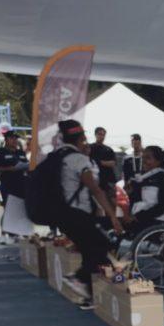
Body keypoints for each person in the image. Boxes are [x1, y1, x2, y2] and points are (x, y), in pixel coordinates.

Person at [52, 120, 123, 301]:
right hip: (78, 214)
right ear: (82, 138)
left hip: (61, 213)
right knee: (103, 244)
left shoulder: (57, 156)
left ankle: (88, 294)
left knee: (89, 251)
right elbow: (95, 190)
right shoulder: (79, 160)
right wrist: (113, 216)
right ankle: (79, 278)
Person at [125, 145, 164, 229]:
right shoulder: (142, 179)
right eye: (143, 158)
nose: (144, 161)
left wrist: (139, 216)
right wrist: (130, 193)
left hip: (156, 223)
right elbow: (137, 201)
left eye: (148, 158)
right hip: (140, 221)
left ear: (158, 161)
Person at [0, 131, 30, 245]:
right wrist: (9, 169)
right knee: (8, 209)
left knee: (19, 209)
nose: (14, 140)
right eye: (12, 138)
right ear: (6, 139)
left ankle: (15, 233)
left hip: (21, 183)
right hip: (7, 184)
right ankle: (3, 234)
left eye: (15, 138)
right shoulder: (0, 152)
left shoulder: (20, 152)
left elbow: (26, 164)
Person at [89, 126, 118, 203]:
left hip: (108, 180)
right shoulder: (89, 148)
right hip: (94, 181)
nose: (102, 136)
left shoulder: (108, 149)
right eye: (100, 134)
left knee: (112, 202)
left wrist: (99, 162)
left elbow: (113, 163)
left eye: (103, 135)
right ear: (95, 135)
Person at [122, 133, 145, 205]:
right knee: (132, 205)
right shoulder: (127, 158)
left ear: (140, 143)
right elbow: (125, 174)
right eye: (134, 143)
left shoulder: (145, 157)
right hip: (132, 185)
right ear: (131, 144)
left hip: (144, 185)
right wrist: (126, 185)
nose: (136, 146)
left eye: (137, 143)